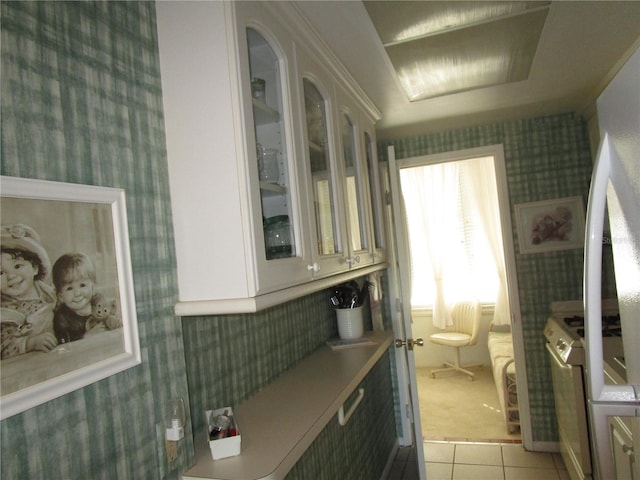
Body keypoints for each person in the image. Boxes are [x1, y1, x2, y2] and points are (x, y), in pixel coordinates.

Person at [1, 224, 57, 358]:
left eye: (17, 266)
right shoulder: (5, 313)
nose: (11, 276)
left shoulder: (50, 294)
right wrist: (30, 343)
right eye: (0, 272)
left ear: (35, 268)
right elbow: (3, 348)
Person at [52, 252, 120, 344]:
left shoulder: (97, 302)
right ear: (60, 296)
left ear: (93, 287)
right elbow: (63, 345)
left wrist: (114, 322)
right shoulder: (62, 318)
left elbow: (109, 318)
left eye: (82, 285)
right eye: (69, 288)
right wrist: (86, 337)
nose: (77, 293)